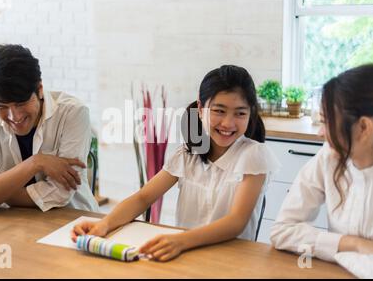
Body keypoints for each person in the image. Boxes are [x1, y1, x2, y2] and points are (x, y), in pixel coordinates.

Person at [72, 65, 279, 261]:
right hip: (185, 254)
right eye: (219, 111)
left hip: (230, 258)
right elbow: (144, 198)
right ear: (200, 108)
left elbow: (236, 222)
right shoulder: (187, 154)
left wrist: (180, 241)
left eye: (240, 113)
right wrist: (105, 224)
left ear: (250, 112)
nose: (228, 123)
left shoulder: (254, 155)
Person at [0, 44, 99, 213]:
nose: (14, 116)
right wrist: (36, 163)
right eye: (1, 106)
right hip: (10, 223)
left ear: (40, 89)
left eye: (21, 103)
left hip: (72, 219)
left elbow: (60, 194)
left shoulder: (72, 113)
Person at [270, 64, 373, 262]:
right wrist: (352, 243)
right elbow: (283, 231)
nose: (321, 133)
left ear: (364, 127)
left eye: (326, 122)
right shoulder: (328, 157)